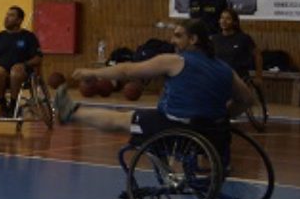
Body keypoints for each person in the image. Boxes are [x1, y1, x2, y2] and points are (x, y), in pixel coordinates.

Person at [53, 18, 255, 137]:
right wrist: (224, 117)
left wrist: (93, 72)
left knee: (121, 119)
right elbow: (247, 100)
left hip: (177, 127)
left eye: (178, 35)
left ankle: (71, 111)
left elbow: (127, 71)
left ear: (193, 39)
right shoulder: (225, 69)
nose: (172, 40)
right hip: (213, 131)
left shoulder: (175, 61)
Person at [0, 6, 42, 117]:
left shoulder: (29, 37)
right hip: (2, 72)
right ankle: (2, 104)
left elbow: (38, 58)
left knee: (15, 72)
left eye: (11, 15)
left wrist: (24, 64)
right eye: (7, 15)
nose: (7, 18)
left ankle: (13, 105)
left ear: (19, 20)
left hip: (22, 72)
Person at [213, 8, 263, 91]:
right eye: (222, 18)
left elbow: (258, 56)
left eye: (228, 19)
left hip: (239, 79)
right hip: (218, 78)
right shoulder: (214, 39)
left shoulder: (243, 38)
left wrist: (259, 76)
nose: (224, 21)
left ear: (235, 22)